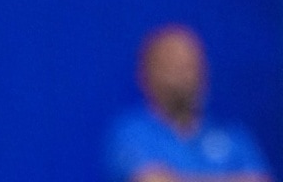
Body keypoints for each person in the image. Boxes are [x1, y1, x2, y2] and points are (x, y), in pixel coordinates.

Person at [105, 24, 274, 182]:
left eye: (192, 65)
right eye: (174, 67)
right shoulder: (131, 133)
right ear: (147, 74)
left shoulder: (234, 136)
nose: (186, 77)